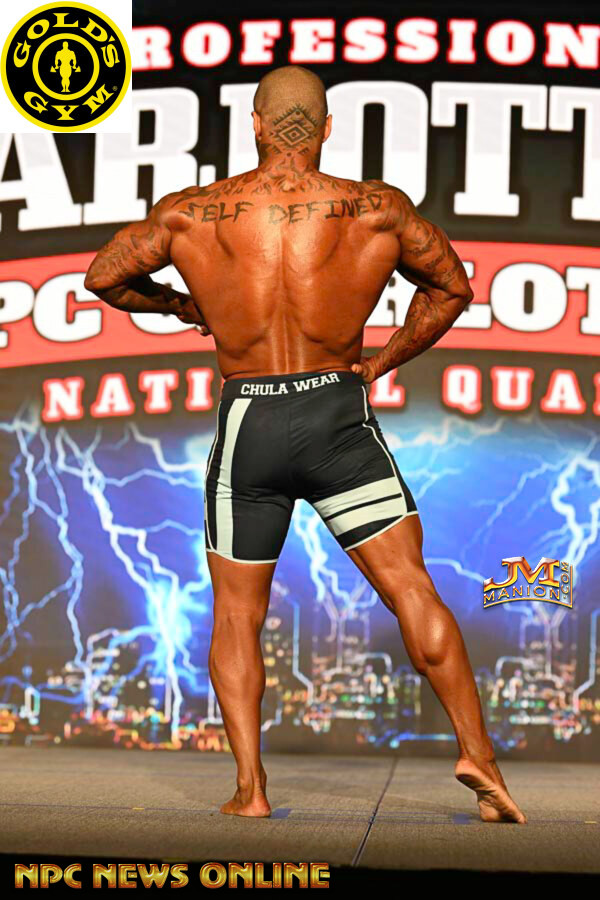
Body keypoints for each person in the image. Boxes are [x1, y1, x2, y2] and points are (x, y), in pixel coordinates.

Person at [85, 65, 526, 824]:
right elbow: (452, 288)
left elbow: (104, 276)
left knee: (237, 615)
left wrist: (182, 305)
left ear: (256, 124)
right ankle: (479, 759)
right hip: (337, 419)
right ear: (325, 128)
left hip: (250, 422)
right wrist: (379, 363)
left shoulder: (192, 214)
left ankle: (251, 790)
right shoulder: (376, 209)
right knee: (410, 587)